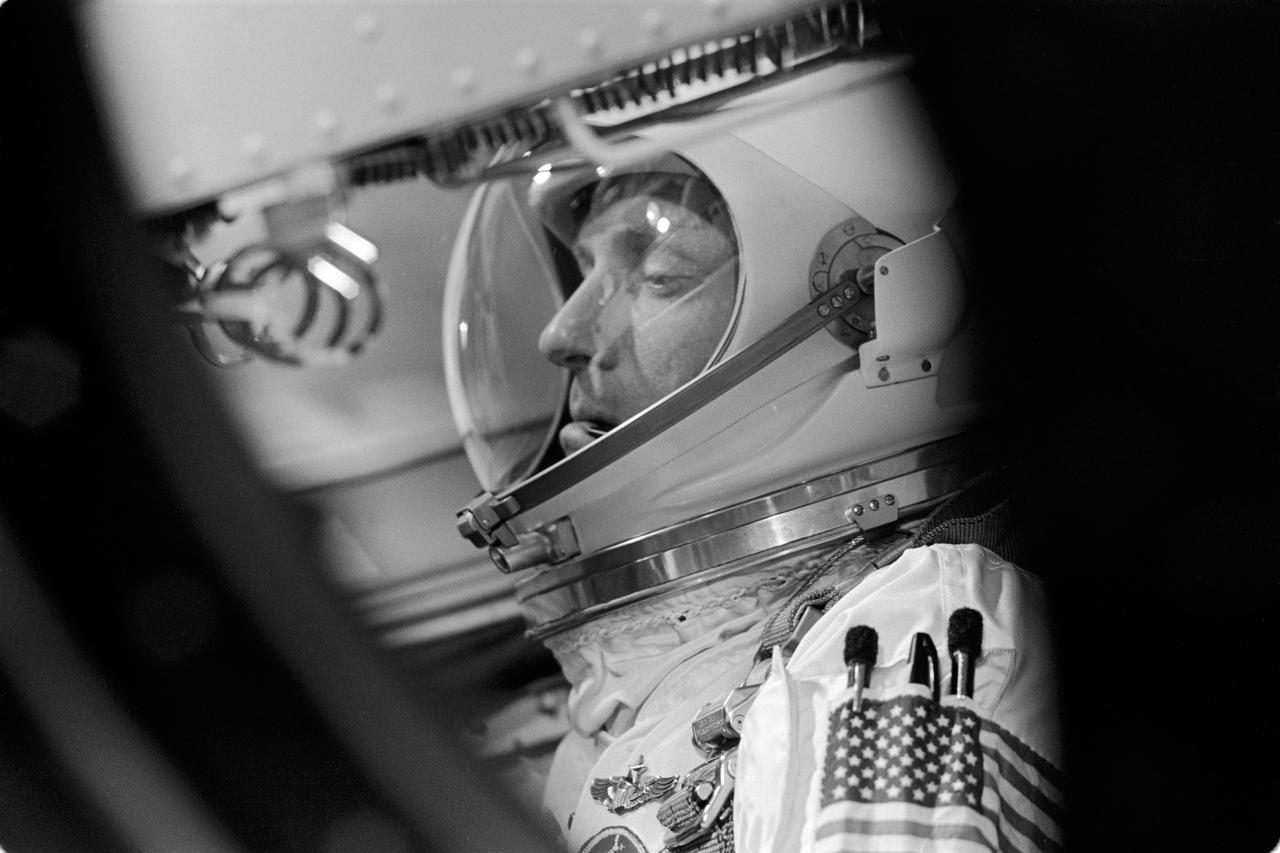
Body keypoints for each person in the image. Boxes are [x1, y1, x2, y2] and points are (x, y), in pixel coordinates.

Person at [443, 56, 1063, 853]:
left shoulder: (923, 647)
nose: (560, 333)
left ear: (878, 305)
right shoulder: (651, 681)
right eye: (588, 271)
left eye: (660, 273)